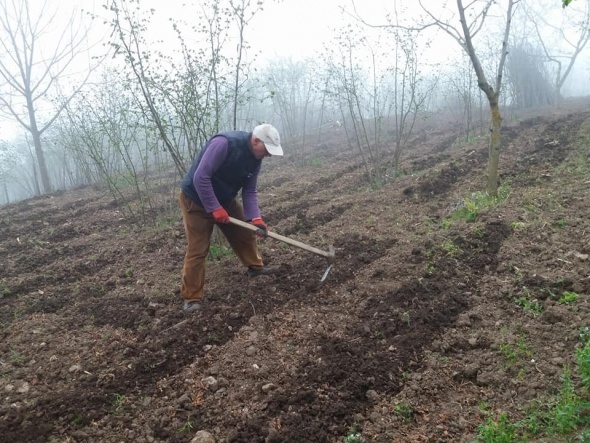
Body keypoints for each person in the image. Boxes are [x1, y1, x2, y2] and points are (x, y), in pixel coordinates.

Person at [178, 124, 283, 312]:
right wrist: (214, 207)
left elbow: (249, 190)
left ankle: (255, 269)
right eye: (267, 150)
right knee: (198, 248)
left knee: (245, 232)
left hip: (225, 199)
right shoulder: (224, 143)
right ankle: (191, 298)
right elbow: (200, 177)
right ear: (256, 140)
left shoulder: (256, 159)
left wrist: (255, 219)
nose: (268, 155)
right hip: (195, 200)